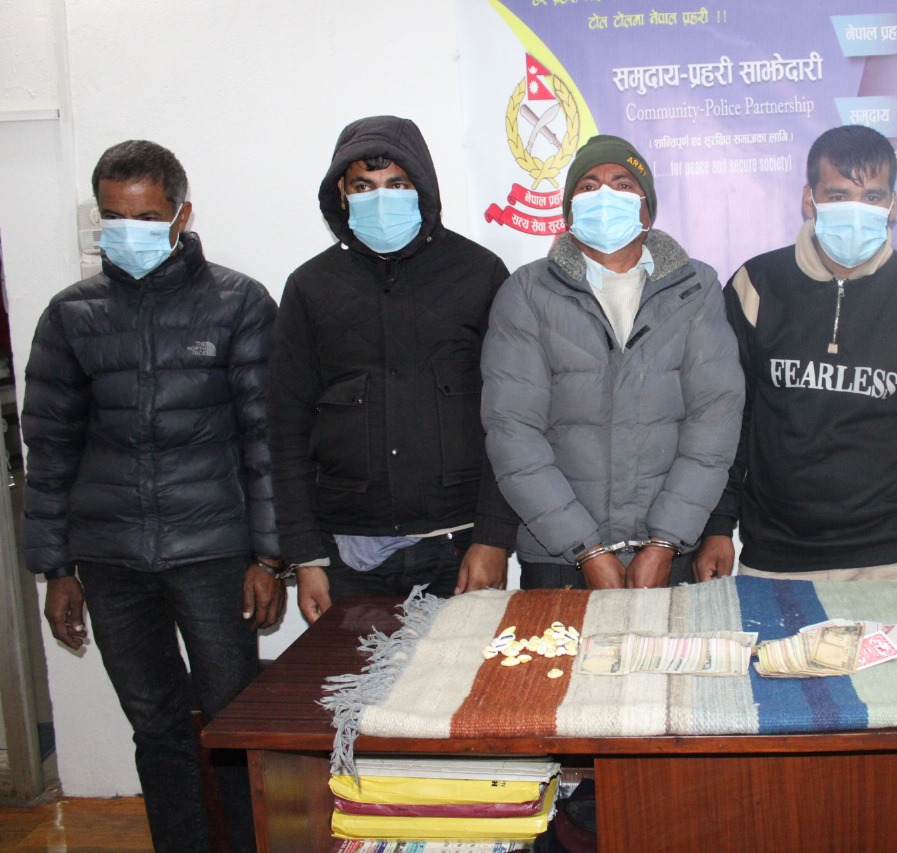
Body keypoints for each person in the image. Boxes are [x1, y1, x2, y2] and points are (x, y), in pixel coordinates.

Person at [22, 140, 284, 853]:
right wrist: (56, 569)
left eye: (145, 217)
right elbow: (49, 448)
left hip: (215, 554)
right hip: (111, 561)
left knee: (232, 721)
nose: (128, 232)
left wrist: (270, 558)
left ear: (181, 215)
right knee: (156, 725)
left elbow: (266, 442)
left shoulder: (238, 303)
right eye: (113, 217)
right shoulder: (70, 316)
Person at [269, 115, 517, 621]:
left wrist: (494, 537)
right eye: (364, 186)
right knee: (349, 675)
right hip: (348, 556)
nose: (381, 198)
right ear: (342, 194)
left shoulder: (480, 274)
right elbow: (286, 429)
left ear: (423, 188)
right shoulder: (310, 288)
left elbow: (511, 418)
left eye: (398, 184)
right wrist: (306, 555)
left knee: (464, 674)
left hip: (458, 546)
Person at [695, 125, 897, 584]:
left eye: (873, 197)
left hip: (888, 559)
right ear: (809, 199)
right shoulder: (757, 284)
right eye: (838, 196)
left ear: (893, 205)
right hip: (775, 554)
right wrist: (718, 525)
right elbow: (731, 417)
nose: (856, 210)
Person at [481, 134, 745, 589]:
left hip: (669, 556)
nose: (605, 195)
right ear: (568, 213)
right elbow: (513, 433)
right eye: (588, 186)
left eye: (623, 184)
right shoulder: (526, 292)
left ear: (647, 210)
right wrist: (585, 549)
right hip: (558, 557)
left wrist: (665, 542)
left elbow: (714, 424)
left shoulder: (697, 288)